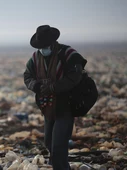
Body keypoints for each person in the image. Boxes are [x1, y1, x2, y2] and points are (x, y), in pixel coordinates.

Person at [23, 25, 87, 170]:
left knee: (58, 146)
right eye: (41, 46)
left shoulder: (68, 54)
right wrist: (36, 86)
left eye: (45, 46)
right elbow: (27, 76)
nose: (43, 49)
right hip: (48, 106)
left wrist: (54, 87)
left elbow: (75, 76)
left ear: (52, 43)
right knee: (49, 143)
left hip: (65, 106)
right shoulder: (36, 57)